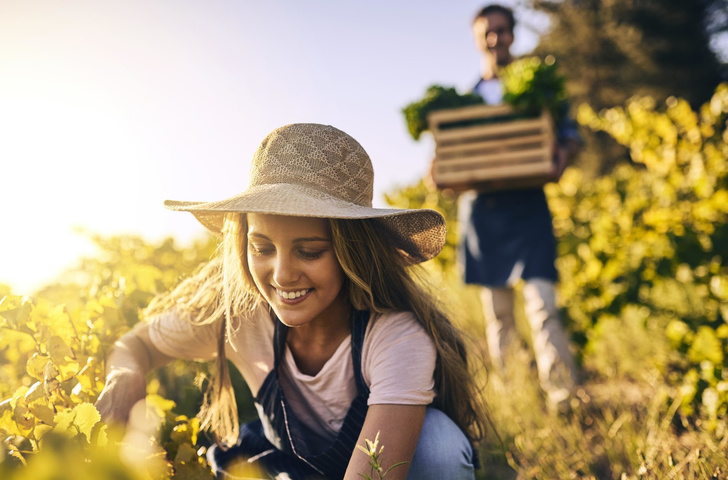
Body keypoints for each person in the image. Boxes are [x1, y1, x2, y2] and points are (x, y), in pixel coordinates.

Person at [95, 123, 488, 480]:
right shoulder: (238, 314)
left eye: (310, 251)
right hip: (283, 470)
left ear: (353, 253)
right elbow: (136, 345)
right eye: (262, 247)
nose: (281, 275)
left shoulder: (395, 337)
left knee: (438, 448)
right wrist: (127, 374)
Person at [460, 4, 582, 405]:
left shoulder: (539, 88)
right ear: (478, 40)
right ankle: (515, 395)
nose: (495, 39)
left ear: (513, 34)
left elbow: (569, 132)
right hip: (484, 214)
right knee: (499, 314)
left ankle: (560, 395)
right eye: (487, 33)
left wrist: (564, 151)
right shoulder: (465, 102)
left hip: (528, 207)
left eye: (502, 30)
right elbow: (445, 158)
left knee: (543, 304)